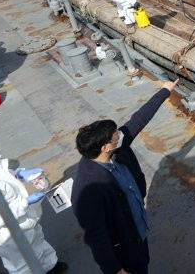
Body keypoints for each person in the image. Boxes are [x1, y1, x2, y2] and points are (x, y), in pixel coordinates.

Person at [71, 79, 177, 274]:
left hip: (139, 230)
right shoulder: (89, 188)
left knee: (144, 261)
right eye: (115, 136)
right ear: (106, 147)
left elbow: (139, 119)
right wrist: (114, 268)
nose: (120, 135)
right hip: (126, 247)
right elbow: (96, 235)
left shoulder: (116, 150)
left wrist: (164, 91)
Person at [0, 141, 65, 274]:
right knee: (24, 265)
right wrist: (25, 203)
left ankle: (50, 266)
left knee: (38, 243)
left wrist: (20, 174)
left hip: (23, 222)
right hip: (7, 235)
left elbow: (4, 175)